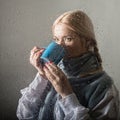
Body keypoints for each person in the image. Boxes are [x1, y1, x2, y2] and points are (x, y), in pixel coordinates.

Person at [16, 10, 120, 120]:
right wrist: (42, 76)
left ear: (88, 42)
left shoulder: (104, 86)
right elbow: (23, 115)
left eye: (68, 39)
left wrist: (67, 94)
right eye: (56, 39)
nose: (60, 45)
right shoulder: (52, 75)